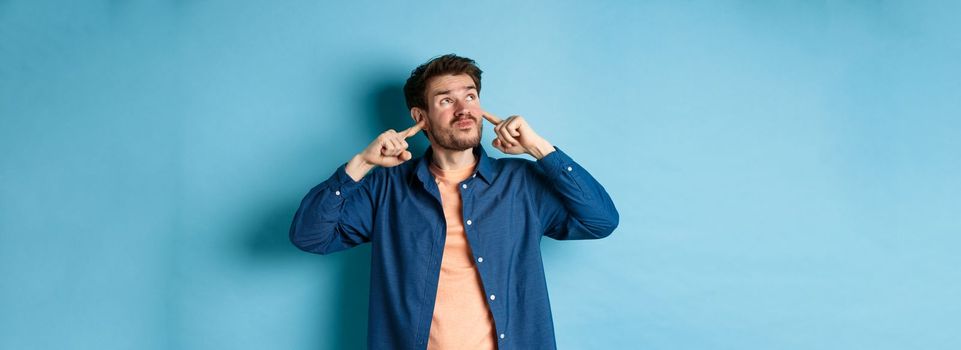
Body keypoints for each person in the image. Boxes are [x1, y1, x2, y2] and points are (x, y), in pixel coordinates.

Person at [289, 54, 619, 349]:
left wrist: (539, 149)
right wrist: (361, 163)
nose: (464, 110)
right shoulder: (387, 188)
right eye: (446, 100)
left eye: (471, 96)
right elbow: (310, 236)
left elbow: (601, 220)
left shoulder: (521, 183)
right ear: (421, 116)